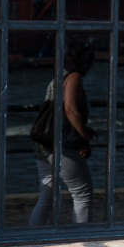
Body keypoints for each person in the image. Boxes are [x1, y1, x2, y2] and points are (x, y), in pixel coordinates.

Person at [29, 44, 96, 226]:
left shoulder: (59, 78)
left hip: (44, 144)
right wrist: (84, 138)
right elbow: (70, 110)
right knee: (82, 194)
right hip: (63, 145)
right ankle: (82, 238)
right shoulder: (74, 78)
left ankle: (33, 237)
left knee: (46, 196)